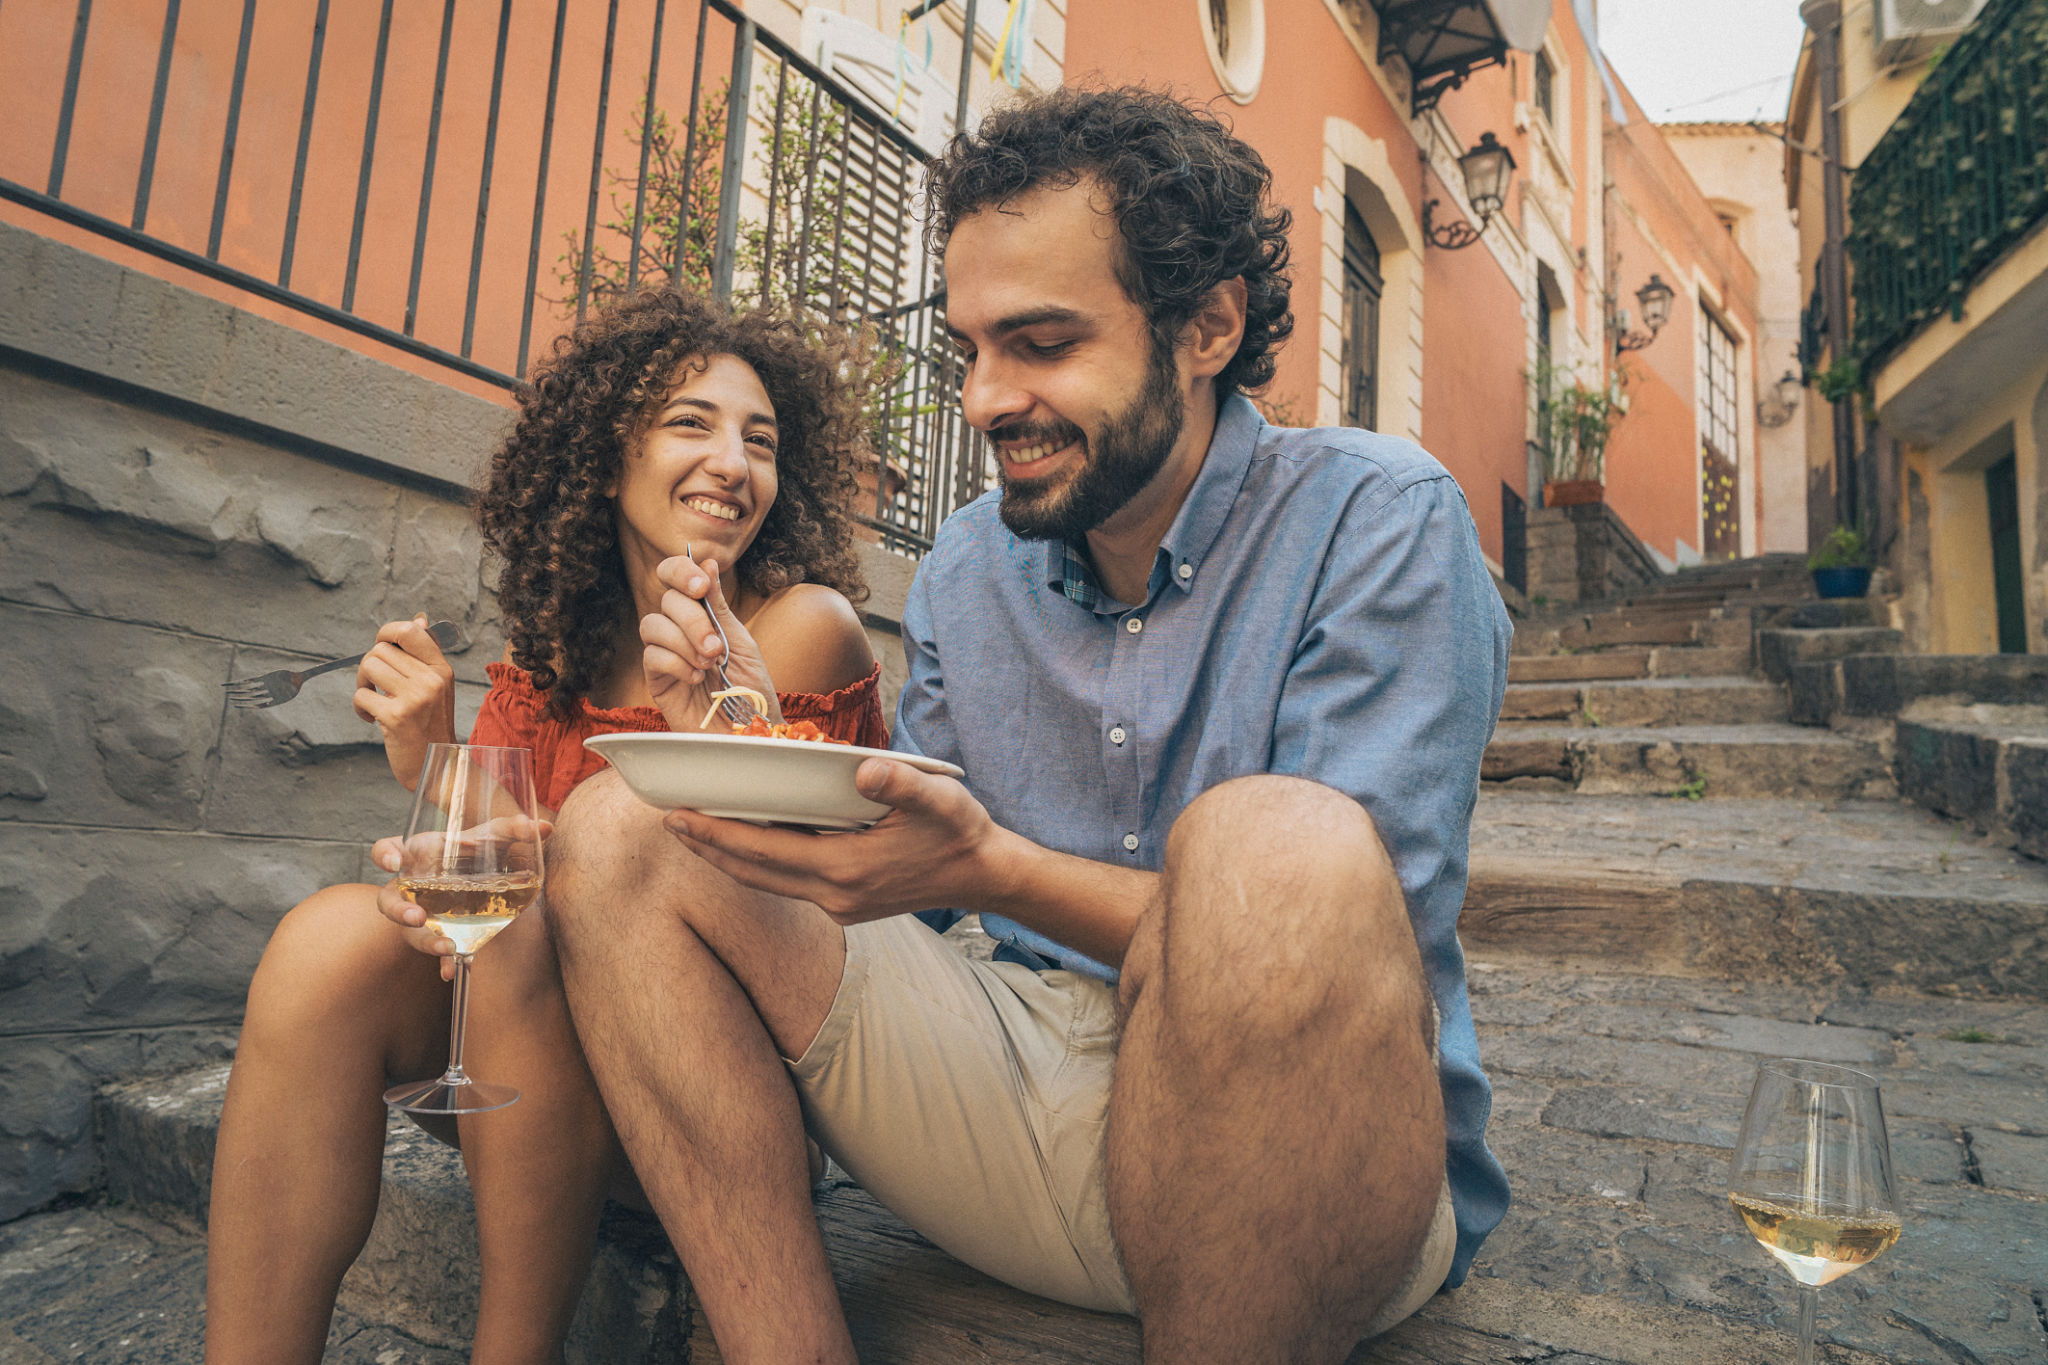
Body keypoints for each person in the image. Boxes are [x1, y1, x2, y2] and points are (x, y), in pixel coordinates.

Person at [538, 86, 1512, 1364]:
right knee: (621, 825)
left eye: (1041, 343)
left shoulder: (1380, 521)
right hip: (1007, 1087)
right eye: (970, 349)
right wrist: (749, 744)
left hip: (1296, 1155)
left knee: (1278, 849)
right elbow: (911, 919)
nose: (985, 400)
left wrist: (995, 869)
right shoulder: (962, 567)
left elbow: (1335, 950)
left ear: (1206, 326)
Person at [204, 289, 885, 1365]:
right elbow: (511, 857)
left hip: (720, 1096)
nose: (731, 462)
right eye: (689, 423)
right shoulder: (552, 663)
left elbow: (710, 874)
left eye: (759, 440)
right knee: (325, 944)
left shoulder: (796, 633)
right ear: (608, 457)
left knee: (511, 918)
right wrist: (435, 765)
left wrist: (478, 841)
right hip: (543, 1088)